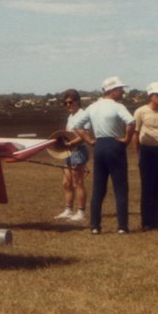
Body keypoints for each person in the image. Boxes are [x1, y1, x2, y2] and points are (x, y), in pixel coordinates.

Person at [72, 76, 135, 235]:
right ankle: (122, 226)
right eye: (120, 89)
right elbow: (131, 123)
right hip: (115, 145)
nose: (122, 92)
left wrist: (89, 140)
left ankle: (94, 226)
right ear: (112, 91)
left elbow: (77, 126)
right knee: (120, 188)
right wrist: (126, 139)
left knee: (98, 188)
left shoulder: (92, 107)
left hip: (99, 146)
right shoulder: (117, 106)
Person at [133, 81, 158, 231]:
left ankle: (156, 221)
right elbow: (135, 135)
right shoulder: (140, 112)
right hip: (146, 151)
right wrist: (139, 155)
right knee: (147, 188)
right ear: (151, 96)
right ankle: (146, 222)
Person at [55, 89, 89, 223]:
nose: (67, 105)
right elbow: (68, 134)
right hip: (68, 151)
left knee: (78, 182)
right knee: (66, 183)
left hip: (79, 151)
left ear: (77, 101)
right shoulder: (71, 116)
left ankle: (81, 212)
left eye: (70, 102)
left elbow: (84, 136)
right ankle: (68, 210)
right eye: (65, 103)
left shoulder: (83, 115)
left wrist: (70, 144)